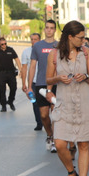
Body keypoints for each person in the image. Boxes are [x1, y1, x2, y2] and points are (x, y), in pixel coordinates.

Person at [45, 21, 89, 176]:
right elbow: (48, 80)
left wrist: (86, 76)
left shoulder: (87, 52)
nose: (83, 41)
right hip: (64, 105)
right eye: (80, 38)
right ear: (69, 36)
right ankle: (71, 172)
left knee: (83, 144)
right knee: (60, 144)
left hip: (83, 103)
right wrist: (58, 78)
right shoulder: (54, 54)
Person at [25, 19, 59, 152]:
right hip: (40, 84)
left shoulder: (59, 45)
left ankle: (56, 140)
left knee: (55, 114)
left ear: (55, 30)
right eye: (47, 28)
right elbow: (32, 66)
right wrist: (29, 87)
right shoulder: (37, 46)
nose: (49, 30)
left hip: (56, 84)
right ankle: (49, 135)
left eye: (51, 28)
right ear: (44, 29)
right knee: (44, 116)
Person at [20, 33, 44, 130]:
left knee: (46, 104)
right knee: (35, 103)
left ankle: (46, 120)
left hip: (44, 81)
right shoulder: (26, 52)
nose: (33, 41)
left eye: (36, 39)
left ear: (40, 40)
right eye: (32, 39)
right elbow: (24, 68)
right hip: (33, 82)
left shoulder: (44, 50)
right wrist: (24, 84)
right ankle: (39, 123)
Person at [0, 37, 21, 112]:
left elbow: (16, 59)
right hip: (1, 73)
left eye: (5, 44)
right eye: (2, 44)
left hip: (11, 72)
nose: (4, 45)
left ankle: (10, 101)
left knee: (14, 88)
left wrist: (21, 69)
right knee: (2, 90)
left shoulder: (10, 50)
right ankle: (3, 105)